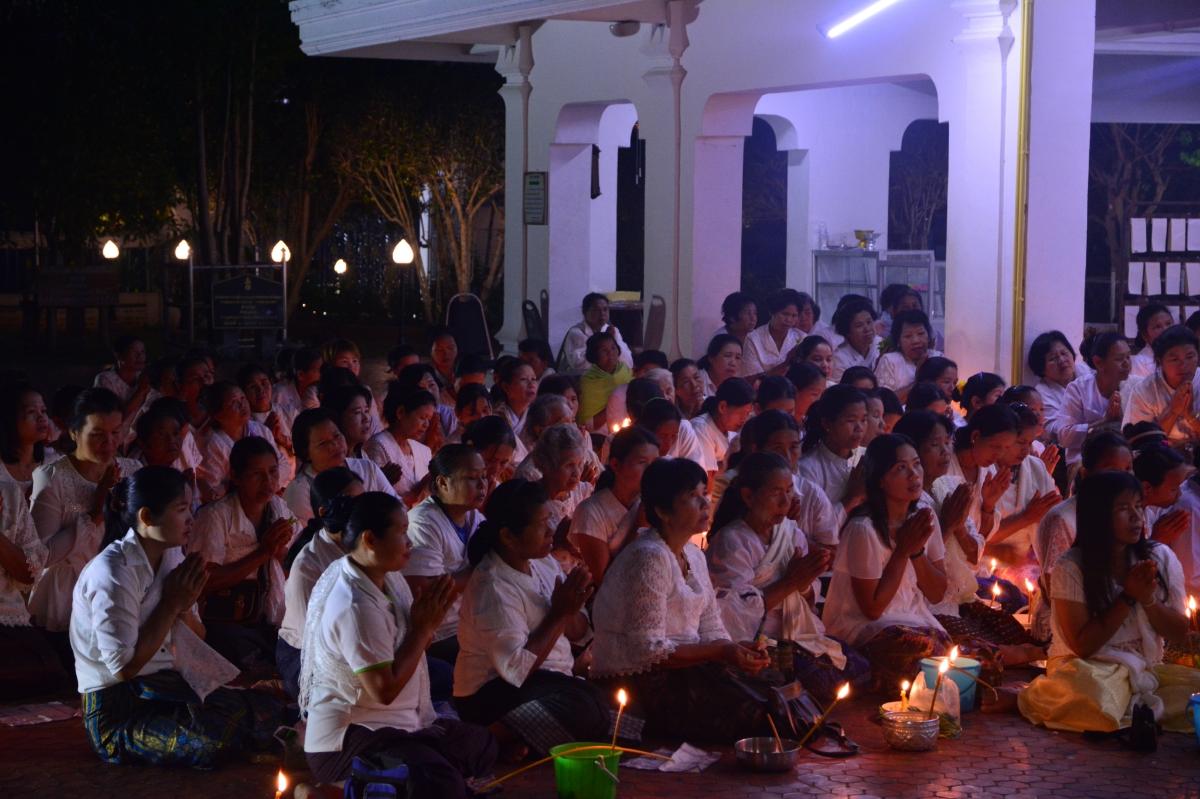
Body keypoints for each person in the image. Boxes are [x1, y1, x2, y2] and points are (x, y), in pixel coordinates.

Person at [73, 466, 282, 766]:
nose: (191, 519)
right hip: (118, 712)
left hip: (164, 689)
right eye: (182, 510)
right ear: (147, 518)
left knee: (262, 709)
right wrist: (170, 605)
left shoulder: (171, 556)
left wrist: (183, 606)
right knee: (212, 740)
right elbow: (123, 669)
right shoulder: (112, 573)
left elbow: (199, 635)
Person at [299, 492, 496, 796]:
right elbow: (384, 690)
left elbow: (409, 653)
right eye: (402, 532)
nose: (410, 543)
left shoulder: (386, 578)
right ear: (370, 539)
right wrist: (423, 629)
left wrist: (425, 627)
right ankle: (331, 790)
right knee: (438, 784)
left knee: (480, 747)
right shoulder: (354, 604)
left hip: (397, 727)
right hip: (349, 740)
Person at [590, 457, 771, 741]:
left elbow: (711, 628)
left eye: (704, 495)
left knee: (776, 692)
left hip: (686, 672)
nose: (705, 504)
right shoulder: (648, 557)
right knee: (756, 715)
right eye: (692, 497)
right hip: (640, 682)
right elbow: (648, 651)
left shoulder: (695, 555)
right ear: (662, 510)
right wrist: (720, 653)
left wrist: (736, 649)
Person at [1019, 471, 1198, 733]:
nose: (1136, 517)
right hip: (1088, 669)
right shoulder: (1071, 566)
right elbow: (1083, 647)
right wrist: (1127, 597)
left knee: (1195, 692)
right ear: (1099, 516)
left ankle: (1136, 710)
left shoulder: (1160, 557)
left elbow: (1180, 631)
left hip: (1144, 669)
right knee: (1095, 695)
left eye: (1138, 506)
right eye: (1124, 509)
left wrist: (1148, 599)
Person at [454, 479, 607, 756]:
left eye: (550, 519)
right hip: (491, 694)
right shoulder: (493, 585)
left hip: (548, 683)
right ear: (508, 536)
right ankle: (490, 739)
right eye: (541, 524)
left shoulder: (543, 561)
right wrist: (559, 613)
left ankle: (524, 741)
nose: (551, 530)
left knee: (605, 703)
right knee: (584, 708)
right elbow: (516, 670)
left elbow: (577, 630)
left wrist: (571, 605)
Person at [707, 453, 870, 703]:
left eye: (789, 490)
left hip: (797, 632)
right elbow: (732, 613)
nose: (785, 501)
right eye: (775, 492)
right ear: (749, 496)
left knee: (859, 666)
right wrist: (788, 583)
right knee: (818, 682)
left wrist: (803, 584)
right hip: (758, 640)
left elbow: (809, 597)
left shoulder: (791, 533)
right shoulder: (732, 541)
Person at [821, 434, 977, 692]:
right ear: (881, 480)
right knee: (926, 656)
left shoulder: (924, 520)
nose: (914, 475)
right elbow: (872, 609)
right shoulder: (864, 529)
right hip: (867, 630)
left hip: (917, 622)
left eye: (916, 464)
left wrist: (916, 554)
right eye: (901, 468)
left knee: (976, 656)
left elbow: (937, 593)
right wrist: (902, 551)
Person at [28, 389, 140, 633]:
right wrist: (95, 511)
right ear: (74, 433)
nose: (109, 443)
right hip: (68, 595)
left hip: (120, 589)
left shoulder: (132, 472)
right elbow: (41, 557)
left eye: (115, 432)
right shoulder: (52, 478)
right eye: (98, 434)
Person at [189, 436, 297, 672]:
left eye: (272, 472)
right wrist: (263, 552)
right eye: (256, 475)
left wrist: (277, 551)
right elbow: (202, 581)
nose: (268, 482)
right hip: (226, 624)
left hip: (269, 617)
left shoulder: (277, 508)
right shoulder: (215, 517)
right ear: (236, 477)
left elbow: (283, 562)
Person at [1033, 432, 1133, 642]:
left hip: (1116, 614)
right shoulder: (1063, 518)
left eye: (1127, 469)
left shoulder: (1128, 515)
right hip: (1068, 623)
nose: (1122, 478)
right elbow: (1055, 590)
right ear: (1086, 474)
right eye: (1112, 470)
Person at [277, 467, 364, 698]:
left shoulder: (364, 547)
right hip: (305, 655)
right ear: (326, 512)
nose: (362, 511)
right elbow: (318, 645)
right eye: (352, 503)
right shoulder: (309, 565)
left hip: (359, 644)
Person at [403, 445, 489, 664]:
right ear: (442, 483)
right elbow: (425, 591)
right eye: (471, 478)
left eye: (484, 477)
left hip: (471, 622)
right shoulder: (423, 523)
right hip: (440, 633)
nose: (482, 485)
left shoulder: (475, 518)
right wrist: (480, 569)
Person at [984, 404, 1061, 587]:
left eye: (1030, 442)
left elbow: (1053, 517)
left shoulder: (1035, 467)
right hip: (985, 564)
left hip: (1027, 562)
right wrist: (1027, 517)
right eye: (1020, 442)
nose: (1026, 450)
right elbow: (977, 535)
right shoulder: (983, 470)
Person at [568, 427, 657, 584]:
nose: (651, 471)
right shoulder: (590, 512)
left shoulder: (651, 503)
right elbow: (605, 581)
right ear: (615, 464)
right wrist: (639, 526)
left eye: (655, 463)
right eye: (642, 462)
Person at [284, 408, 396, 525]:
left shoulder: (367, 468)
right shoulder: (299, 491)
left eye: (337, 436)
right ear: (306, 453)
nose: (334, 445)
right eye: (323, 443)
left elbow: (395, 506)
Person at [1051, 331, 1131, 467]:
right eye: (1119, 359)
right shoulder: (1078, 389)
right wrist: (1103, 423)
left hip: (1126, 460)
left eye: (1128, 357)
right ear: (1098, 362)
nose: (1126, 364)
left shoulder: (1136, 386)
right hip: (1084, 462)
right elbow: (1064, 436)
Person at [195, 381, 282, 503]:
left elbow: (282, 464)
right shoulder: (213, 445)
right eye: (234, 403)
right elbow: (212, 491)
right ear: (218, 414)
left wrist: (272, 486)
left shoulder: (260, 430)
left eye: (243, 398)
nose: (242, 405)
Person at [797, 385, 868, 530]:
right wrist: (851, 498)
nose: (859, 428)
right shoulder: (808, 468)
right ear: (827, 423)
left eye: (864, 419)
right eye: (851, 420)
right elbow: (810, 530)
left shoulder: (865, 457)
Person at [1123, 325, 1200, 445]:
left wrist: (1190, 415)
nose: (1184, 365)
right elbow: (1138, 441)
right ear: (1160, 362)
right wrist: (1173, 411)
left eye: (1190, 357)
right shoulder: (1144, 390)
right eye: (1175, 360)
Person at [365, 386, 436, 508]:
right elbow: (376, 501)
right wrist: (417, 491)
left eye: (429, 419)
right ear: (401, 412)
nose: (426, 425)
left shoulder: (423, 450)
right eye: (422, 418)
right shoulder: (378, 445)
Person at [238, 364, 295, 487]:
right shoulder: (246, 426)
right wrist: (266, 432)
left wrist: (283, 440)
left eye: (264, 383)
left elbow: (306, 448)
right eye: (252, 387)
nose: (260, 390)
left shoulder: (289, 412)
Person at [690, 378, 755, 477]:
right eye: (741, 413)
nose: (744, 419)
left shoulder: (731, 430)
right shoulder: (700, 429)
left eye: (747, 414)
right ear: (722, 407)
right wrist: (730, 452)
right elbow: (706, 481)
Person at [0, 382, 55, 495]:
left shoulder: (54, 463)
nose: (41, 417)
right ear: (10, 420)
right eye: (31, 411)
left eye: (43, 411)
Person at [875, 310, 942, 402]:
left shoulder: (937, 357)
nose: (916, 340)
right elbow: (884, 402)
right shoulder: (889, 361)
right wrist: (919, 379)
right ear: (898, 341)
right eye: (908, 336)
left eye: (921, 334)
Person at [559, 292, 634, 372]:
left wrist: (613, 339)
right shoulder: (577, 333)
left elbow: (628, 362)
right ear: (584, 312)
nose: (602, 314)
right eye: (596, 310)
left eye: (605, 309)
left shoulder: (612, 330)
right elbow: (580, 365)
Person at [741, 288, 805, 378]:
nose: (789, 320)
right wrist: (786, 363)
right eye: (785, 314)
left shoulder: (802, 338)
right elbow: (751, 380)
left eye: (794, 316)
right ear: (772, 312)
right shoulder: (753, 339)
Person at [93, 335, 151, 432]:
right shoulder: (106, 380)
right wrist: (140, 391)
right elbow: (110, 419)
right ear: (119, 355)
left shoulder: (146, 378)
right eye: (134, 352)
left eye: (142, 352)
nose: (140, 356)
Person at [578, 330, 633, 430]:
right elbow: (588, 424)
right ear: (594, 355)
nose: (610, 353)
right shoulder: (589, 380)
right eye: (604, 350)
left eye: (613, 348)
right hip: (601, 432)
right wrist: (615, 405)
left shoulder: (624, 369)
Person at [1028, 331, 1079, 427]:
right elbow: (1054, 429)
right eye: (1052, 358)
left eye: (1064, 353)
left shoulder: (1088, 372)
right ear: (1042, 369)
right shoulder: (1041, 393)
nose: (1061, 360)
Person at [461, 416, 519, 499]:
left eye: (503, 463)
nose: (496, 469)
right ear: (471, 449)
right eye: (490, 460)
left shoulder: (498, 488)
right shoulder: (453, 481)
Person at [830, 296, 882, 381]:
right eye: (859, 325)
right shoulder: (839, 358)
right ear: (847, 332)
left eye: (869, 322)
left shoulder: (880, 343)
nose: (867, 329)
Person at [273, 346, 323, 430]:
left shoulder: (318, 392)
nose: (322, 375)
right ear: (301, 375)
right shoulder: (279, 393)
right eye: (318, 370)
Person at [492, 359, 539, 442]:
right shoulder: (496, 418)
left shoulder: (536, 415)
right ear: (506, 387)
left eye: (534, 379)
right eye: (523, 379)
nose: (531, 384)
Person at [1129, 303, 1176, 382]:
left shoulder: (1182, 354)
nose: (1166, 330)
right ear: (1145, 335)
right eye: (1157, 327)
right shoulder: (1138, 363)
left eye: (1168, 324)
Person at [428, 327, 459, 405]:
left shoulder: (464, 372)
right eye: (439, 350)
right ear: (431, 352)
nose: (446, 354)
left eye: (450, 348)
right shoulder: (427, 377)